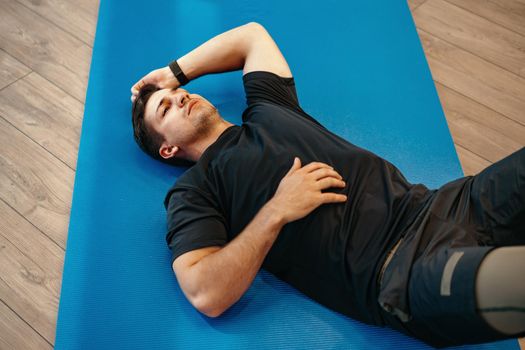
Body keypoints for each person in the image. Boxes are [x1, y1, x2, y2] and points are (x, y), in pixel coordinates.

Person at [130, 22, 525, 347]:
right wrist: (276, 211)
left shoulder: (269, 108)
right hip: (401, 272)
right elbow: (205, 293)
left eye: (180, 93)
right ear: (168, 149)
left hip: (448, 204)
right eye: (165, 107)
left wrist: (172, 73)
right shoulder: (195, 191)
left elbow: (251, 36)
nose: (181, 98)